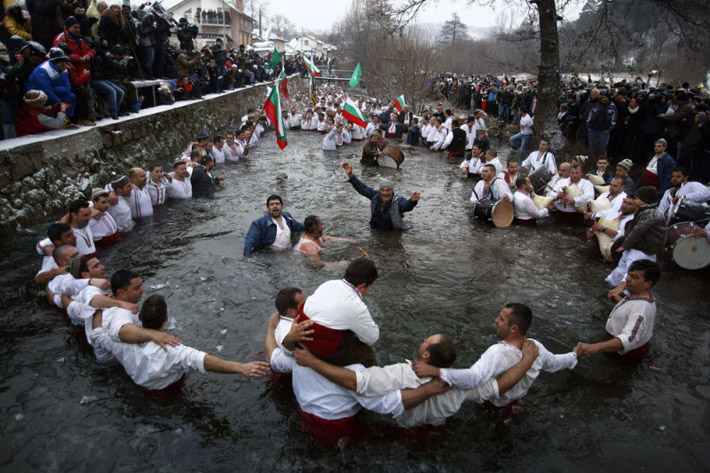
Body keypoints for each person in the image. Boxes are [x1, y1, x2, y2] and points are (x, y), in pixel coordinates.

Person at [264, 314, 449, 446]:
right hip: (339, 431)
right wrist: (429, 389)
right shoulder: (352, 372)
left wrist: (271, 328)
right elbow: (389, 404)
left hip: (304, 419)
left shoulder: (300, 354)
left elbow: (273, 359)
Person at [293, 333, 541, 428]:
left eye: (426, 339)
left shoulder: (400, 373)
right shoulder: (457, 386)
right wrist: (526, 361)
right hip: (434, 435)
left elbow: (359, 382)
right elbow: (498, 387)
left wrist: (313, 362)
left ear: (425, 355)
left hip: (403, 433)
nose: (422, 338)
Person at [413, 303, 580, 409]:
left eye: (501, 319)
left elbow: (473, 378)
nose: (495, 320)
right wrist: (574, 355)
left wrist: (436, 371)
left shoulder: (498, 352)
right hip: (518, 405)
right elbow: (555, 363)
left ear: (514, 328)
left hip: (494, 408)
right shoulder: (536, 348)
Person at [90, 295, 270, 389]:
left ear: (140, 317)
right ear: (166, 318)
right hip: (170, 391)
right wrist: (240, 367)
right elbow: (203, 360)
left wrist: (98, 309)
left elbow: (97, 335)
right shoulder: (172, 349)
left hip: (140, 388)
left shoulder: (119, 342)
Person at [576, 259, 660, 360]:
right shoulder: (640, 296)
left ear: (648, 284)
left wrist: (594, 347)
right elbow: (632, 314)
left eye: (634, 277)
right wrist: (620, 302)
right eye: (628, 274)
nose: (627, 279)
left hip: (623, 355)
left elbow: (627, 339)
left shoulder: (640, 309)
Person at [605, 187, 666, 299]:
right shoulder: (645, 211)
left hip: (642, 250)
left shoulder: (651, 214)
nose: (634, 201)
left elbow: (638, 231)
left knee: (632, 274)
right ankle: (612, 287)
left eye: (636, 198)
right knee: (621, 270)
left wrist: (624, 245)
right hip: (638, 248)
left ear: (643, 200)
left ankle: (621, 295)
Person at [343, 162, 420, 230]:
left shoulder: (397, 200)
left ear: (392, 191)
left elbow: (406, 206)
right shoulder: (375, 196)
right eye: (383, 190)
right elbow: (363, 189)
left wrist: (412, 201)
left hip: (392, 232)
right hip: (376, 229)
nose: (385, 193)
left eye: (387, 190)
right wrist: (351, 175)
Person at [24, 47, 76, 119]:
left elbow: (68, 87)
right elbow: (46, 91)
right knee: (48, 100)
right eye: (60, 61)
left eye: (64, 61)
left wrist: (55, 90)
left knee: (70, 96)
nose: (63, 63)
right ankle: (51, 120)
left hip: (52, 93)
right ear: (54, 62)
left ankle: (66, 120)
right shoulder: (43, 70)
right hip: (38, 96)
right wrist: (60, 103)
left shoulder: (64, 70)